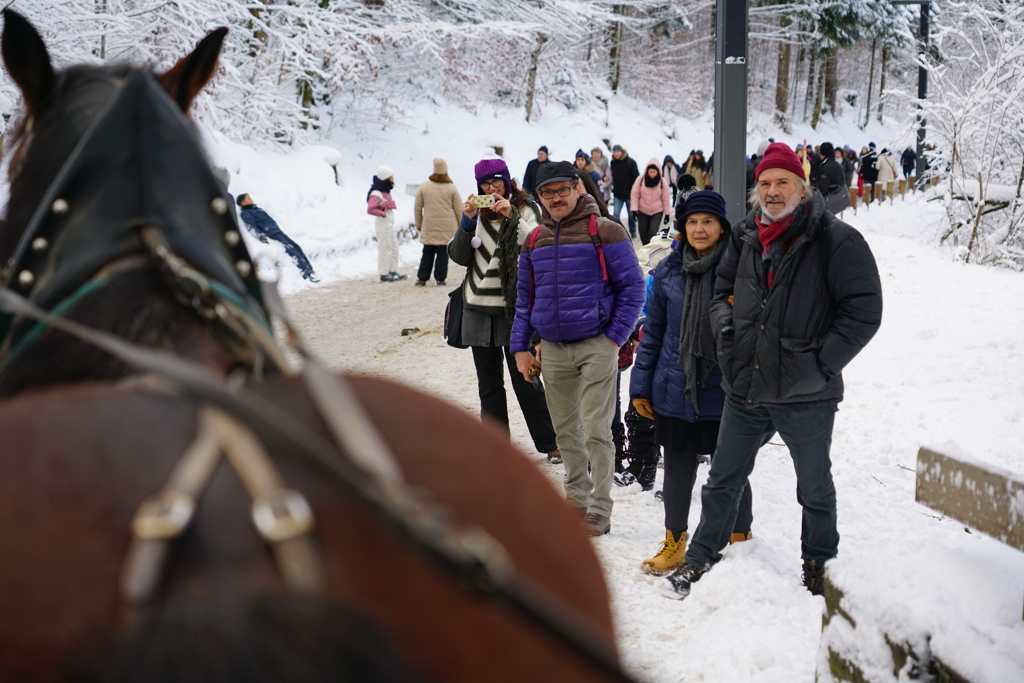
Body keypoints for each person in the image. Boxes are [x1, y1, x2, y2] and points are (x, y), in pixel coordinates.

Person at [661, 142, 882, 600]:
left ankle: (819, 568)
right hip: (747, 384)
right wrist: (728, 338)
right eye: (765, 183)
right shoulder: (744, 235)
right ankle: (699, 561)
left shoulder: (835, 239)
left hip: (808, 391)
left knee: (814, 486)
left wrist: (821, 363)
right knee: (723, 478)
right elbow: (722, 290)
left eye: (783, 182)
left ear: (802, 187)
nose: (773, 191)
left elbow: (863, 311)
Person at [511, 161, 645, 536]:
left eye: (561, 190)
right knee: (565, 431)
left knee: (597, 430)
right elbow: (524, 301)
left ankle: (600, 508)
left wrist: (613, 338)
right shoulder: (533, 240)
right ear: (539, 198)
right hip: (552, 349)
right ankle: (576, 501)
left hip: (596, 345)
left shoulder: (605, 231)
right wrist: (521, 347)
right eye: (547, 193)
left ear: (577, 189)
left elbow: (634, 289)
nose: (555, 198)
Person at [630, 191, 754, 576]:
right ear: (682, 227)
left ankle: (740, 538)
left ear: (722, 227)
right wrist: (640, 385)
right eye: (692, 221)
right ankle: (675, 541)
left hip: (726, 386)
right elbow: (653, 333)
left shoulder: (741, 270)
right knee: (679, 466)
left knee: (730, 468)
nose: (699, 229)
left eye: (708, 222)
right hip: (675, 385)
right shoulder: (668, 271)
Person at [448, 156, 560, 463]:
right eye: (485, 184)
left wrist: (512, 217)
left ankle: (551, 443)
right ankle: (496, 447)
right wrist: (467, 220)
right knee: (489, 385)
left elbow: (538, 245)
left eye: (496, 182)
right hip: (478, 309)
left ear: (507, 181)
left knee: (527, 379)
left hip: (516, 310)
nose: (491, 188)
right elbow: (459, 256)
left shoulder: (526, 209)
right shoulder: (477, 216)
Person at [236, 194, 319, 282]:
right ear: (243, 203)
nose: (251, 199)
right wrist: (261, 236)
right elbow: (251, 227)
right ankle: (306, 273)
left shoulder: (257, 210)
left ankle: (310, 270)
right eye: (248, 198)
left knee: (297, 248)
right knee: (292, 251)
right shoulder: (246, 213)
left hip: (278, 232)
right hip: (273, 235)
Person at [413, 158, 461, 286]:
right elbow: (458, 210)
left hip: (429, 225)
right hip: (447, 227)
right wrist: (461, 227)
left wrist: (419, 225)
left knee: (427, 252)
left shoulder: (424, 187)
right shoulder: (452, 188)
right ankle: (440, 279)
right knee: (443, 254)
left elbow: (418, 208)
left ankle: (422, 278)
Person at [367, 166, 406, 283]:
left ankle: (392, 270)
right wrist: (382, 213)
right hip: (382, 222)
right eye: (391, 177)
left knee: (394, 247)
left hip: (389, 223)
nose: (393, 179)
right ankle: (384, 273)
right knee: (385, 247)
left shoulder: (384, 191)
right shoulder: (376, 192)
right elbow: (370, 208)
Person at [630, 158, 673, 246]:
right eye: (650, 172)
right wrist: (634, 210)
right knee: (643, 233)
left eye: (654, 172)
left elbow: (665, 198)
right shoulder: (641, 180)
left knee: (652, 233)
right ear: (647, 171)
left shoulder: (662, 182)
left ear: (658, 172)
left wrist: (667, 214)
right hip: (643, 210)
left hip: (657, 211)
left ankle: (651, 250)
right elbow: (635, 194)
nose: (652, 174)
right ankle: (646, 249)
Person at [609, 145, 640, 237]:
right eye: (614, 152)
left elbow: (636, 178)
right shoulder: (613, 163)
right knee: (616, 214)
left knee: (631, 215)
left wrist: (635, 192)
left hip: (630, 194)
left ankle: (633, 232)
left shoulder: (630, 162)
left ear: (622, 152)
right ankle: (616, 232)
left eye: (617, 152)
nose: (616, 154)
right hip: (618, 194)